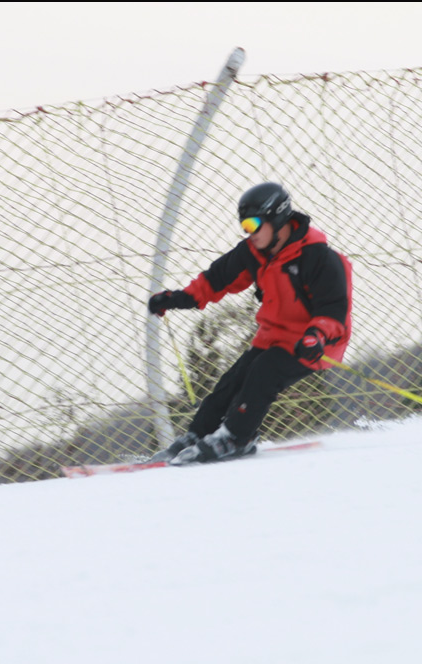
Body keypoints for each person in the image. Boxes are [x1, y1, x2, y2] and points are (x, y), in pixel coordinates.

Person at [147, 181, 353, 465]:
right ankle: (198, 435)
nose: (249, 232)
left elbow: (334, 308)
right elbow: (216, 280)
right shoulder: (253, 253)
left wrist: (316, 335)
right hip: (272, 338)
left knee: (264, 373)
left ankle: (237, 437)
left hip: (314, 342)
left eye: (254, 223)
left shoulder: (318, 258)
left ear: (276, 217)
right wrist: (176, 299)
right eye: (244, 225)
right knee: (232, 381)